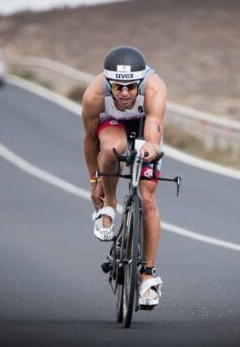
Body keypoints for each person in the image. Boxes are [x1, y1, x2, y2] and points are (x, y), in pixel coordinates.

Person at [81, 46, 167, 308]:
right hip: (112, 125)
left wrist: (150, 148)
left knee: (148, 200)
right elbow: (89, 140)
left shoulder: (154, 89)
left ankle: (147, 276)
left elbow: (153, 130)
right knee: (112, 148)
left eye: (131, 87)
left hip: (144, 126)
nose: (126, 93)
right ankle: (110, 204)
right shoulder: (94, 95)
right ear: (109, 83)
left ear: (140, 82)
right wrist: (95, 182)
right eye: (119, 87)